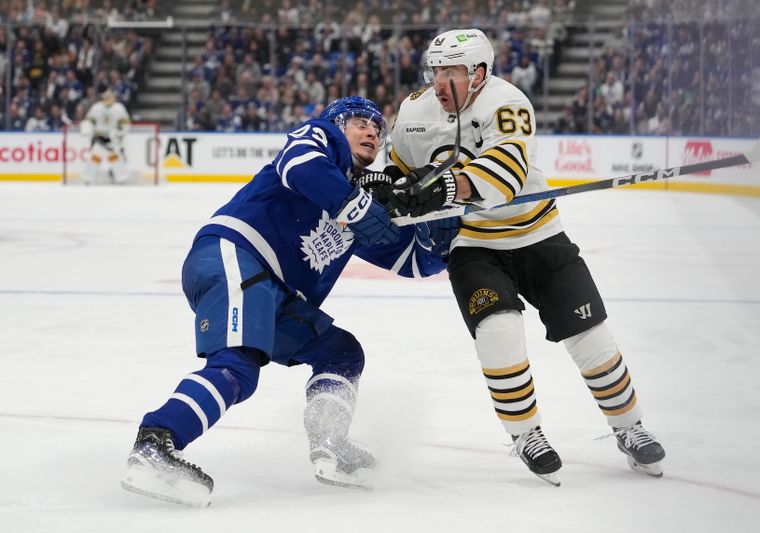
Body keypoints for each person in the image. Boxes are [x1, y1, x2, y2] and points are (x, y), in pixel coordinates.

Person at [120, 96, 455, 507]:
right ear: (337, 124)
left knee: (341, 353)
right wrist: (356, 205)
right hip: (238, 254)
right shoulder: (322, 139)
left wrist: (439, 219)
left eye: (377, 129)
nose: (372, 131)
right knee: (237, 365)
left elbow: (413, 261)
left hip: (273, 291)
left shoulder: (358, 196)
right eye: (360, 123)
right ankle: (157, 441)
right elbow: (300, 163)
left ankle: (331, 444)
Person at [385, 29, 665, 486]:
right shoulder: (416, 109)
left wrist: (448, 187)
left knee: (590, 337)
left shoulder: (507, 102)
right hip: (472, 245)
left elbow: (508, 168)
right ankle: (527, 433)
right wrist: (390, 187)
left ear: (477, 73)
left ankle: (629, 427)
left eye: (449, 72)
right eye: (435, 71)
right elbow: (397, 164)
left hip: (540, 238)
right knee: (498, 333)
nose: (438, 82)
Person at [80, 90, 131, 184]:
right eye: (105, 97)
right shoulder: (96, 107)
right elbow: (89, 121)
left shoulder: (119, 108)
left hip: (112, 140)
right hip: (99, 138)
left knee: (115, 160)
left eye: (109, 97)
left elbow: (125, 124)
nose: (107, 99)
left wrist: (118, 134)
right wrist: (86, 129)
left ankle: (121, 179)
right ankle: (87, 179)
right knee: (94, 159)